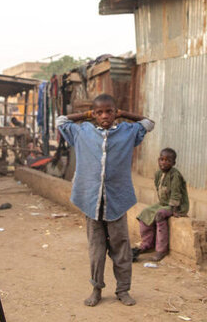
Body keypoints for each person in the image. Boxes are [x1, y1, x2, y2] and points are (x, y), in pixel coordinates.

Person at [56, 93, 154, 307]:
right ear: (94, 115)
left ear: (115, 112)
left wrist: (125, 114)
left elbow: (148, 123)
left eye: (109, 111)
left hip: (116, 201)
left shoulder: (127, 132)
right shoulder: (82, 132)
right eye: (99, 112)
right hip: (91, 202)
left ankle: (123, 290)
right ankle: (96, 289)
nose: (104, 116)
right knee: (96, 250)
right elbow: (60, 121)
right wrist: (86, 114)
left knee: (121, 249)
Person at [131, 147, 189, 262]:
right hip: (164, 203)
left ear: (173, 163)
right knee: (144, 214)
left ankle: (161, 250)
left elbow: (176, 194)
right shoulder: (158, 174)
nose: (164, 162)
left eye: (168, 160)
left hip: (176, 206)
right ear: (158, 160)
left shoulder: (175, 175)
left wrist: (175, 210)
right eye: (162, 159)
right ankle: (147, 244)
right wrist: (162, 205)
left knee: (159, 215)